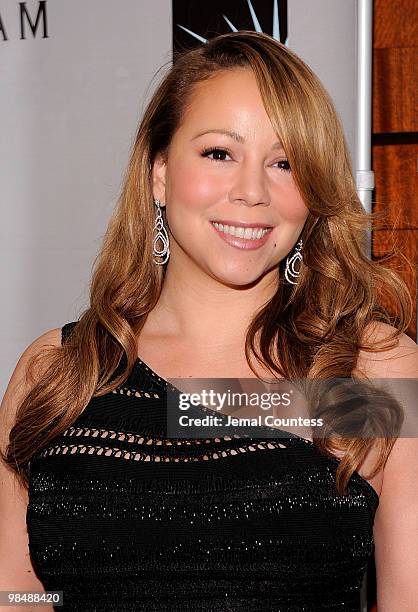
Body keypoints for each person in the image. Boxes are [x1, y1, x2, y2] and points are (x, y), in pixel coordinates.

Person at [1, 31, 417, 611]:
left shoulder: (372, 371)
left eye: (285, 163)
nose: (251, 191)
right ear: (160, 172)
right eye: (220, 153)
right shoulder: (59, 371)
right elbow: (16, 594)